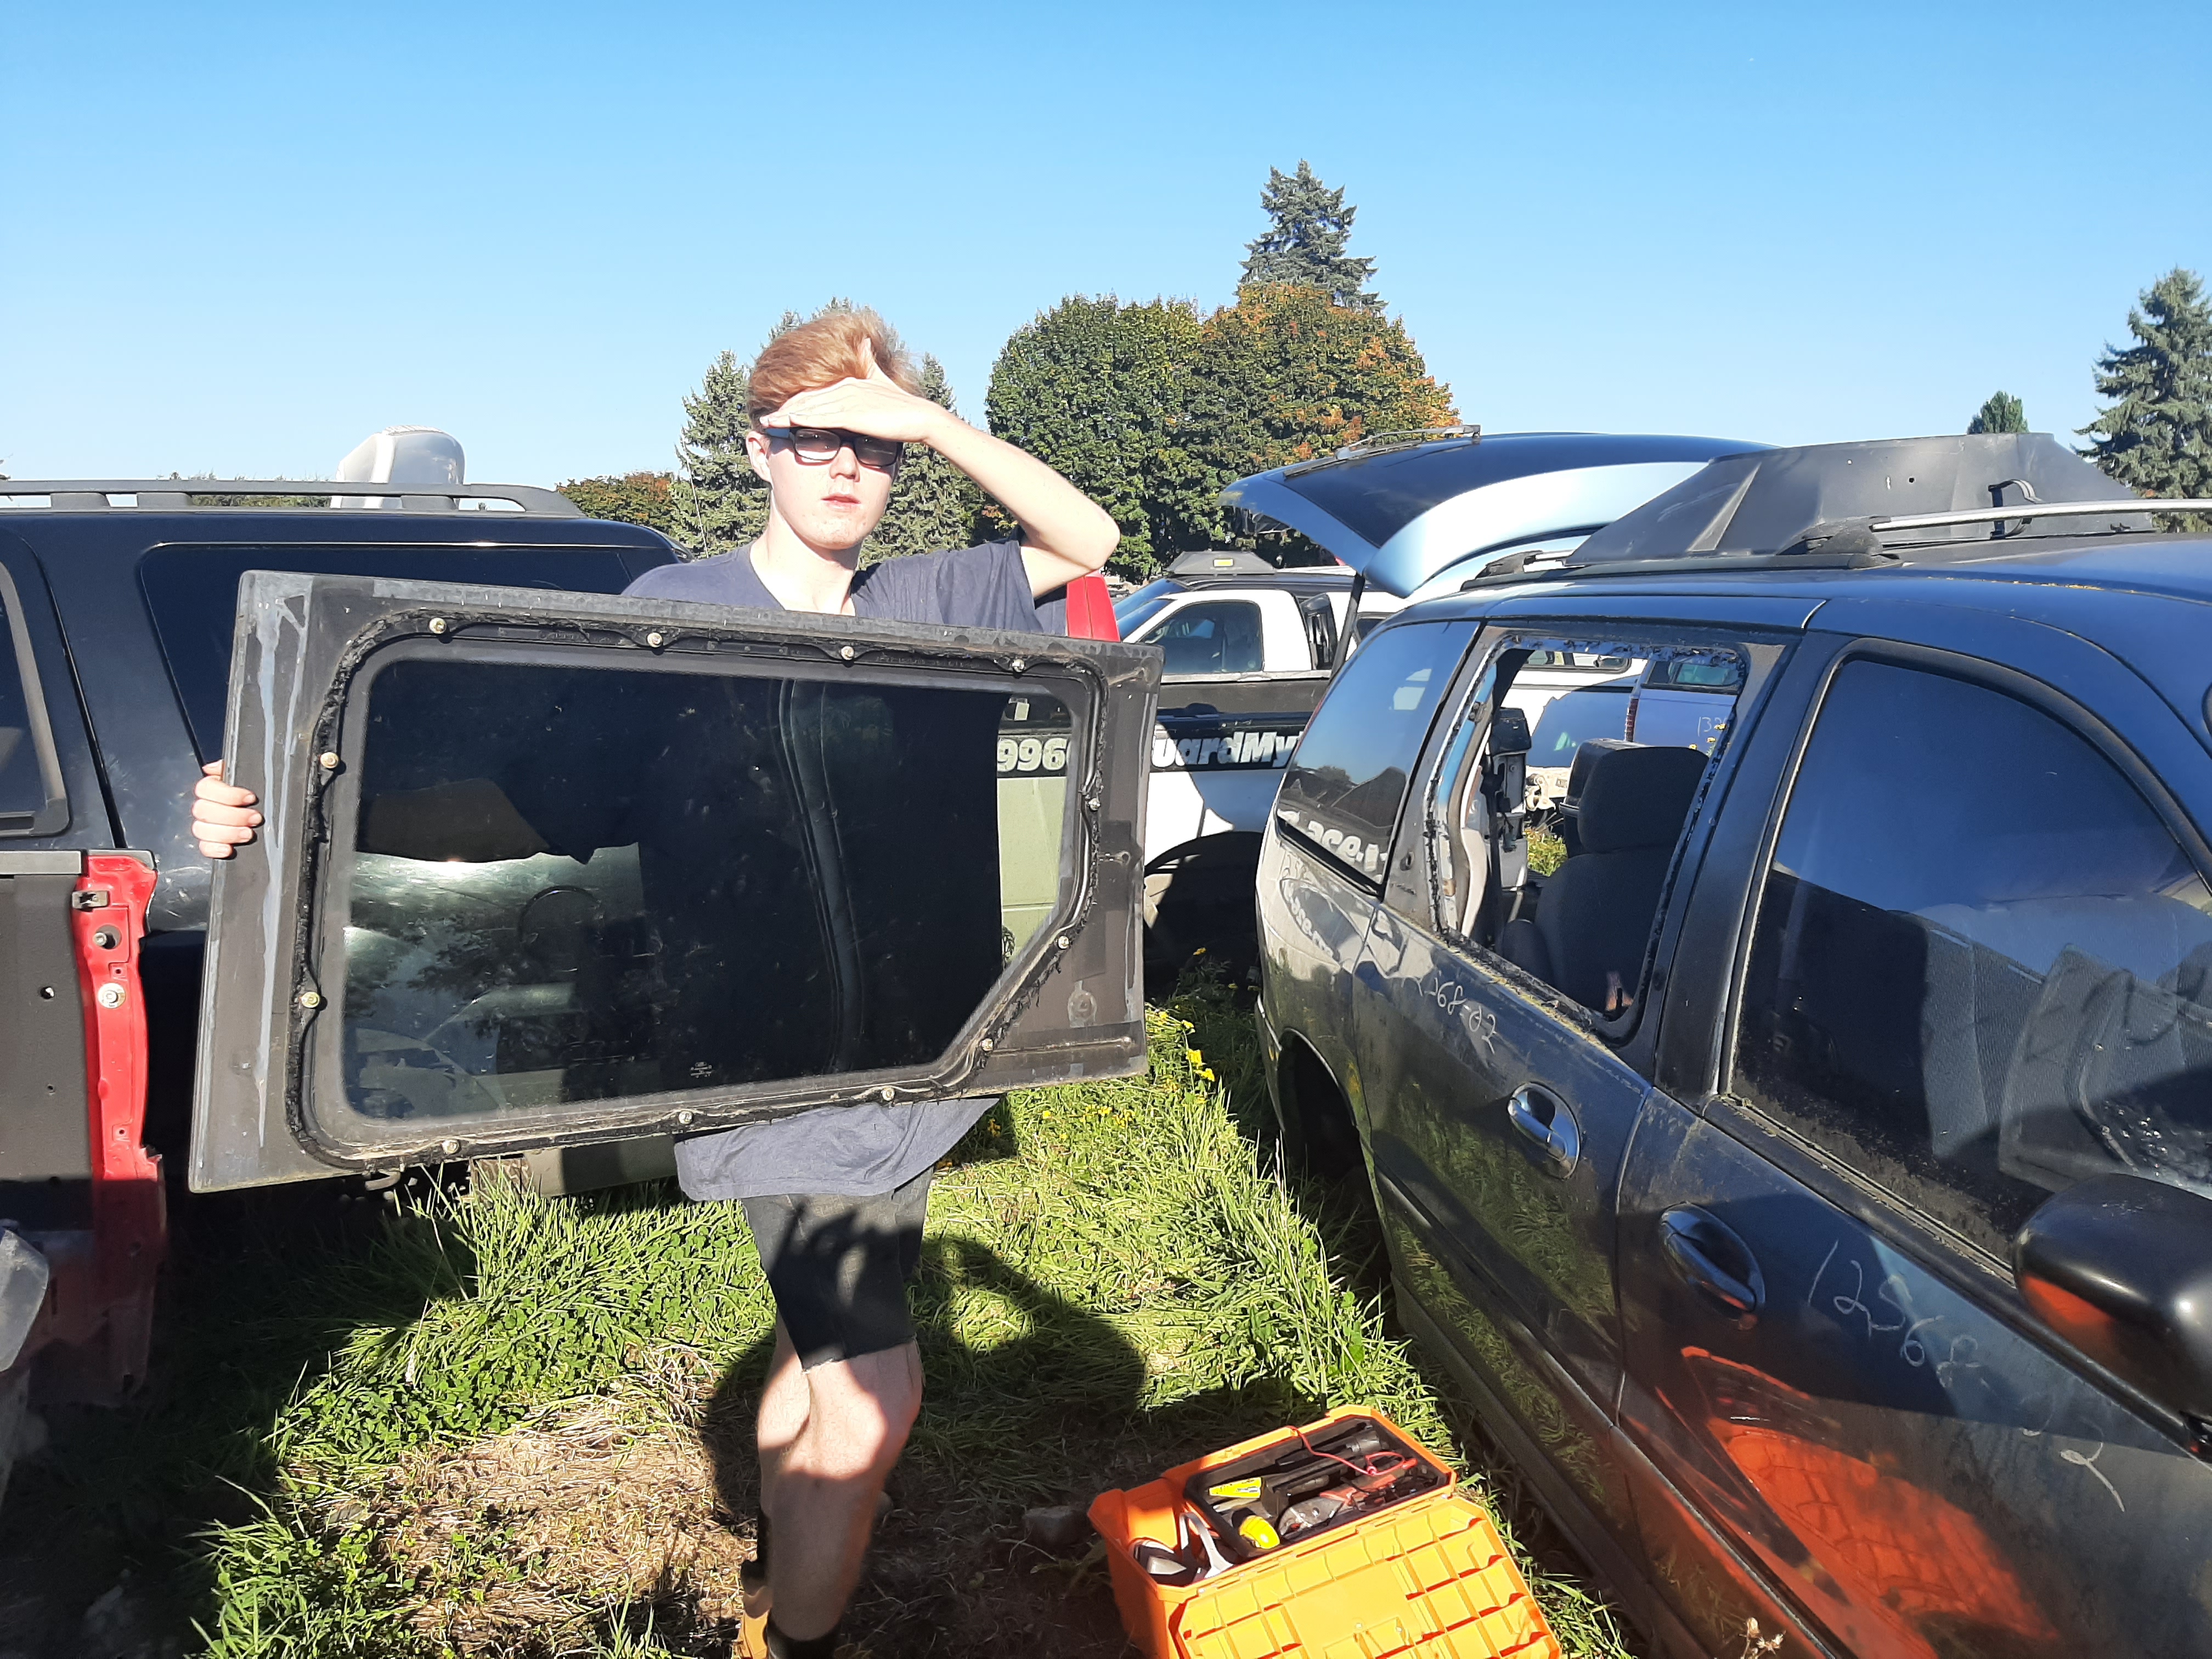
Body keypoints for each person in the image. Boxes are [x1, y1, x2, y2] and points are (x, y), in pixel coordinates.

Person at [191, 308, 1118, 1659]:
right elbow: (521, 804)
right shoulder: (674, 615)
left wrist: (931, 420)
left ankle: (775, 1579)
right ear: (760, 449)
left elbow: (1086, 544)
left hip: (918, 1058)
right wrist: (279, 814)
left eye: (876, 445)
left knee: (820, 1364)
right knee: (876, 1397)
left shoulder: (932, 602)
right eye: (817, 439)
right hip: (767, 1066)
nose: (847, 468)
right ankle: (798, 1640)